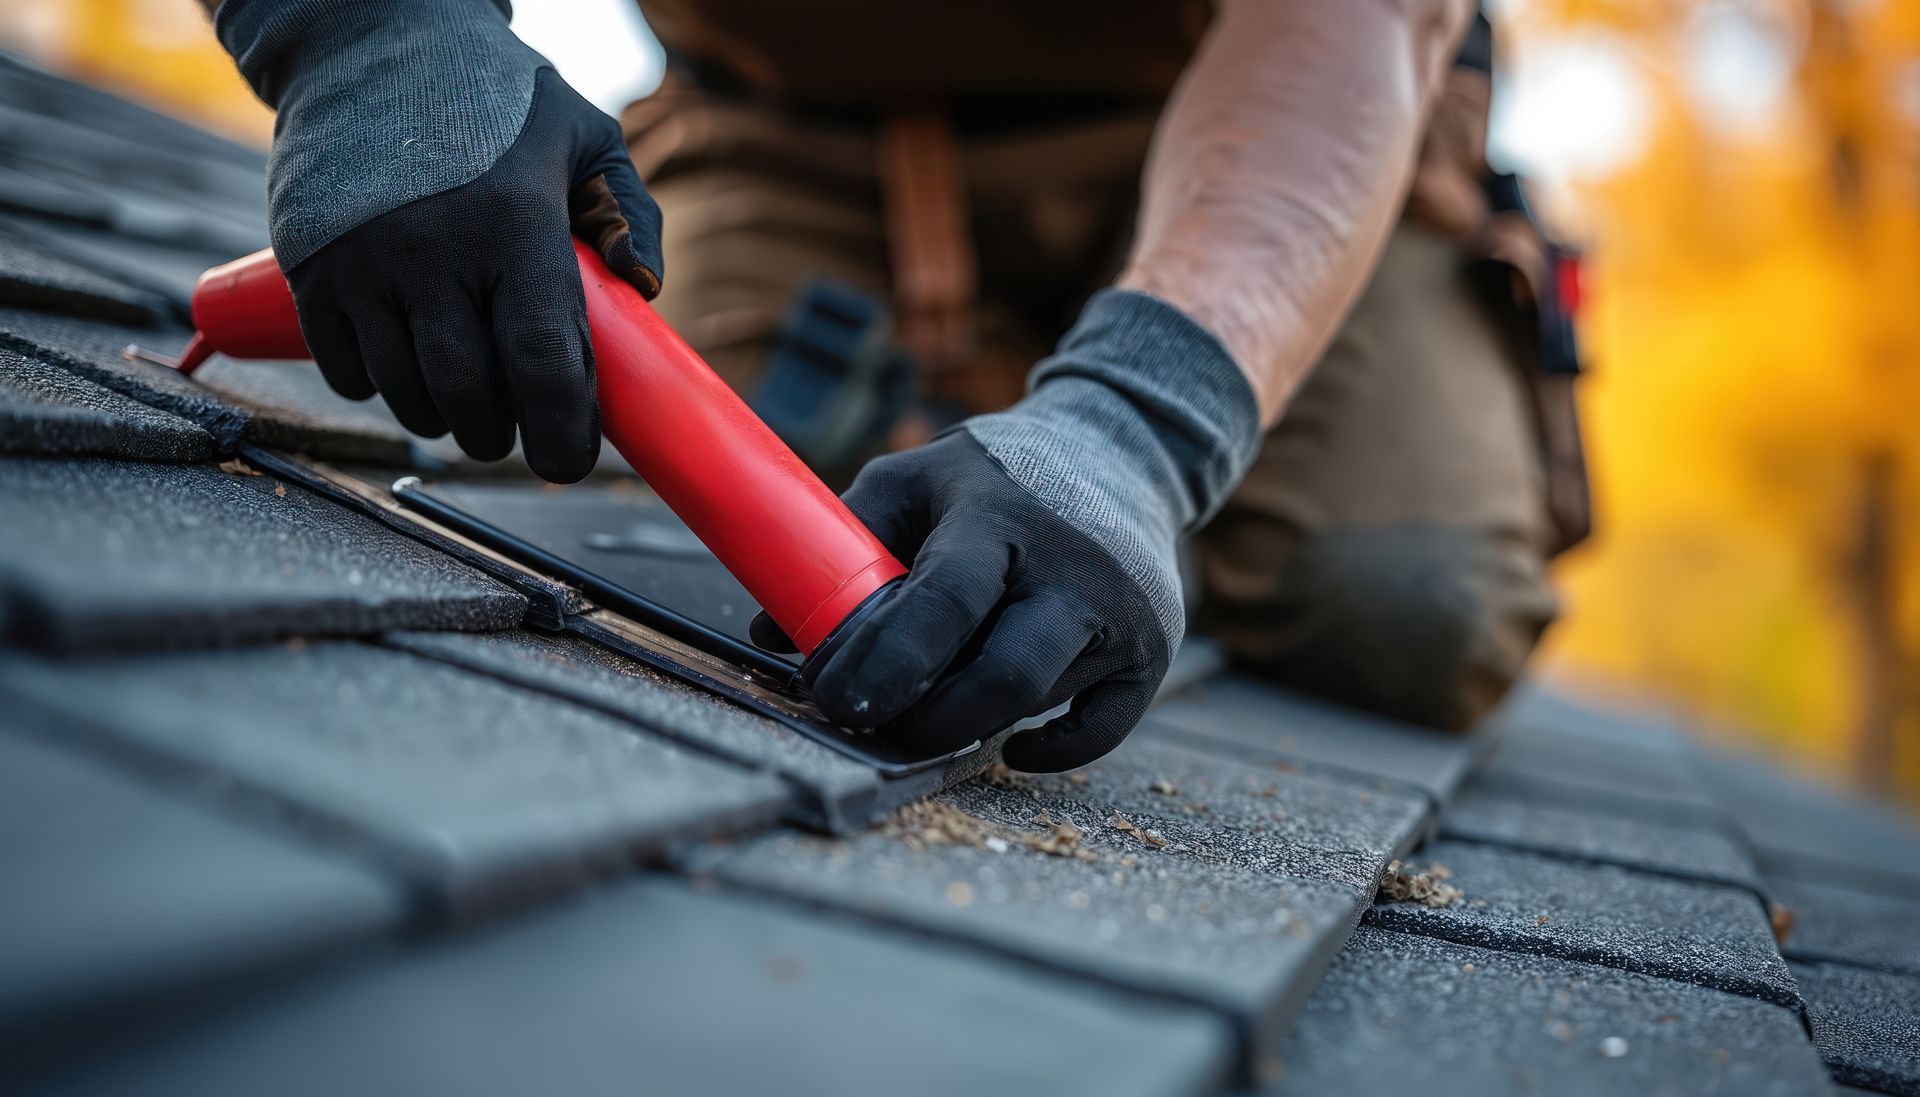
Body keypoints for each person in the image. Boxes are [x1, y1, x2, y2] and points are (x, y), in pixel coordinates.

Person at [204, 0, 1588, 772]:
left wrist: (1138, 427)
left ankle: (1076, 437)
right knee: (636, 496)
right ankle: (978, 434)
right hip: (798, 121)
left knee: (1403, 606)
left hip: (1278, 116)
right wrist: (374, 39)